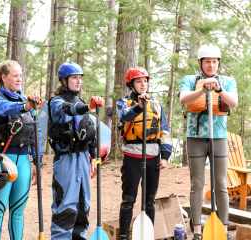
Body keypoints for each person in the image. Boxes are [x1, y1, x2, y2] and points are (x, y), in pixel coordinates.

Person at [179, 44, 238, 240]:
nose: (211, 65)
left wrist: (219, 90)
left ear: (218, 63)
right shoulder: (189, 80)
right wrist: (202, 90)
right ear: (201, 63)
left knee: (220, 184)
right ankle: (196, 228)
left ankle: (223, 225)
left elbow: (233, 102)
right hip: (195, 137)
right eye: (207, 62)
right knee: (197, 184)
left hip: (219, 137)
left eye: (214, 61)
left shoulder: (228, 81)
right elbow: (184, 99)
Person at [0, 60, 42, 240]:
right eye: (15, 75)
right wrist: (26, 106)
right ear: (4, 77)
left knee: (17, 211)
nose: (19, 79)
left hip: (23, 160)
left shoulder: (26, 101)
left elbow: (34, 134)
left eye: (21, 76)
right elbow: (5, 108)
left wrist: (36, 162)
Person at [48, 62, 104, 239]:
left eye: (80, 78)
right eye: (74, 78)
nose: (78, 81)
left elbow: (91, 133)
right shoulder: (56, 102)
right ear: (64, 80)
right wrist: (88, 107)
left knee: (82, 206)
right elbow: (67, 111)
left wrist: (94, 159)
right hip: (66, 159)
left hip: (83, 159)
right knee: (66, 207)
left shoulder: (80, 102)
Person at [116, 67, 172, 240]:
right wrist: (139, 107)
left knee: (149, 200)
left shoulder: (156, 104)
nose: (143, 84)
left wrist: (165, 156)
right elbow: (124, 117)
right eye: (139, 81)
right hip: (132, 157)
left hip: (153, 156)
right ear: (131, 84)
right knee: (129, 199)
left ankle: (148, 234)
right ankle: (124, 235)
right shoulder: (123, 102)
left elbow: (164, 131)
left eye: (145, 81)